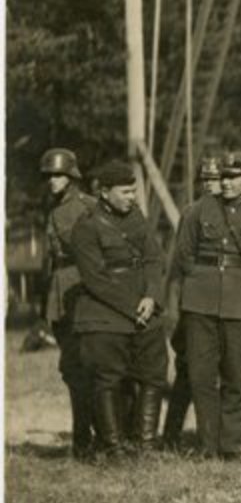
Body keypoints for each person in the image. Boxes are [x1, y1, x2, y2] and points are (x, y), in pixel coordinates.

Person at [174, 150, 241, 459]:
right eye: (223, 176)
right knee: (201, 376)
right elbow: (183, 256)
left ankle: (231, 445)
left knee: (236, 376)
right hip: (200, 303)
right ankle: (207, 444)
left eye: (234, 177)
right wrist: (203, 280)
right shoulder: (197, 211)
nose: (225, 183)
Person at [71, 160, 168, 457]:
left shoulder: (138, 218)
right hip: (106, 314)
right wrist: (132, 307)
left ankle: (145, 443)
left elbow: (154, 259)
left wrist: (151, 297)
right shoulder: (86, 227)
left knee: (154, 373)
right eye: (125, 192)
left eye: (133, 191)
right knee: (107, 379)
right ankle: (113, 447)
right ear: (104, 192)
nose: (132, 197)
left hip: (145, 310)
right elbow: (95, 279)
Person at [161, 154, 224, 447]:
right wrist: (174, 309)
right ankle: (172, 434)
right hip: (194, 301)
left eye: (216, 179)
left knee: (225, 370)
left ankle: (219, 433)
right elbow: (178, 266)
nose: (210, 185)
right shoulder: (191, 214)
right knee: (189, 370)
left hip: (225, 302)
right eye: (205, 180)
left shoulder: (236, 212)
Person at [40, 148, 97, 458]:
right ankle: (84, 440)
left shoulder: (87, 206)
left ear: (72, 176)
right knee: (72, 369)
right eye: (49, 176)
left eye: (58, 175)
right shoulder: (53, 210)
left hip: (81, 288)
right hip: (60, 292)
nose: (52, 180)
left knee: (85, 367)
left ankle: (92, 440)